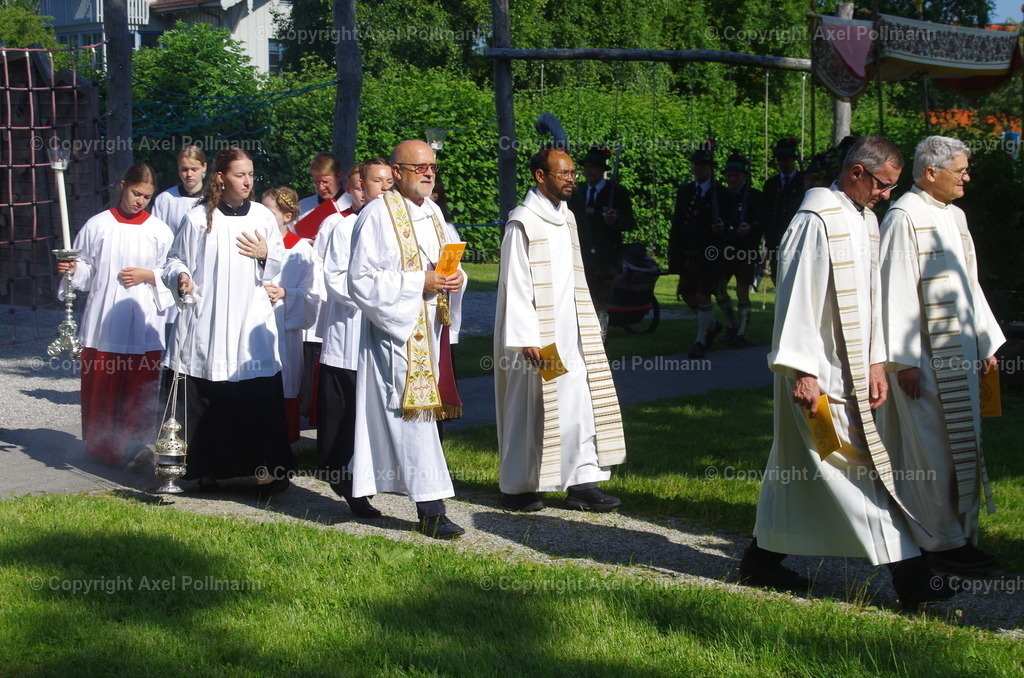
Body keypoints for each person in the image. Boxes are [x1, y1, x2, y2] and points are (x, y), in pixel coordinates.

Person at [740, 136, 956, 610]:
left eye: (892, 187)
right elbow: (795, 296)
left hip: (854, 374)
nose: (887, 194)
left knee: (798, 469)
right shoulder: (815, 220)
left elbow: (875, 300)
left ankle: (761, 558)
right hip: (816, 378)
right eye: (882, 184)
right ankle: (912, 576)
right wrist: (802, 370)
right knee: (848, 465)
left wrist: (877, 360)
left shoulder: (867, 220)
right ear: (856, 172)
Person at [877, 135, 1005, 573]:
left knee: (963, 445)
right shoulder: (903, 216)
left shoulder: (955, 216)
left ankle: (961, 535)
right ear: (931, 173)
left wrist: (984, 340)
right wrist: (905, 360)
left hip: (960, 355)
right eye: (961, 170)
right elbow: (894, 290)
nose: (967, 177)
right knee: (932, 451)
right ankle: (938, 542)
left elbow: (970, 286)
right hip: (926, 363)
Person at [495, 147, 627, 512]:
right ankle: (518, 486)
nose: (571, 178)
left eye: (572, 173)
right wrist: (528, 338)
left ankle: (582, 482)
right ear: (541, 176)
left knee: (579, 402)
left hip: (572, 331)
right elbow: (515, 283)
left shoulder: (566, 216)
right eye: (563, 173)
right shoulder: (522, 221)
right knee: (533, 406)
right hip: (538, 338)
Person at [347, 140, 466, 538]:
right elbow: (360, 281)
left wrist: (453, 278)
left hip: (430, 329)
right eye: (420, 168)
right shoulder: (376, 215)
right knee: (412, 417)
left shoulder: (433, 212)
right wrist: (421, 281)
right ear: (397, 172)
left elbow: (446, 266)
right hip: (397, 335)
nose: (429, 173)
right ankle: (431, 509)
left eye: (433, 166)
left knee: (418, 418)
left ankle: (358, 483)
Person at [162, 147, 293, 494]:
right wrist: (182, 278)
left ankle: (266, 471)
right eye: (239, 174)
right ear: (221, 177)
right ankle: (207, 470)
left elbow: (280, 260)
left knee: (255, 395)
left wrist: (267, 255)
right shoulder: (197, 218)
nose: (247, 181)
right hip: (209, 320)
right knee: (208, 394)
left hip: (250, 320)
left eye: (251, 174)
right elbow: (173, 261)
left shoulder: (263, 217)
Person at [55, 164, 174, 464]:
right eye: (136, 193)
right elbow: (86, 269)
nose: (140, 201)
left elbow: (173, 273)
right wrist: (73, 269)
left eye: (147, 196)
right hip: (104, 320)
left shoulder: (159, 231)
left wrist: (149, 275)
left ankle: (135, 448)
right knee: (103, 386)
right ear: (123, 185)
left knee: (139, 387)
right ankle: (101, 447)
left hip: (143, 322)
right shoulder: (98, 226)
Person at [317, 157, 392, 519]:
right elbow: (331, 277)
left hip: (379, 334)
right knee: (343, 414)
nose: (383, 189)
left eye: (388, 182)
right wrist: (370, 293)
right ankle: (339, 476)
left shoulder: (394, 224)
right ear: (358, 185)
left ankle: (365, 478)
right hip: (347, 334)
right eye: (375, 183)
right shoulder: (338, 225)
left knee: (369, 414)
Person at [668, 144, 738, 359]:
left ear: (710, 168)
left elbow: (733, 222)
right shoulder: (686, 191)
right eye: (696, 165)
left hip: (711, 252)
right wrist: (674, 252)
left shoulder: (722, 193)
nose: (698, 169)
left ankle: (700, 340)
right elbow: (679, 223)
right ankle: (712, 325)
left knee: (704, 294)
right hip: (689, 253)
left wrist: (723, 227)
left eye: (703, 165)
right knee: (688, 293)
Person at [261, 186, 318, 444]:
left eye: (269, 212)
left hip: (285, 328)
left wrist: (285, 293)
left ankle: (284, 442)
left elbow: (312, 295)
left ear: (287, 216)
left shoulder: (301, 250)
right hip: (255, 329)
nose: (262, 217)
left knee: (285, 382)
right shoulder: (252, 244)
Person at [566, 146, 636, 330]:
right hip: (582, 255)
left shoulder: (617, 192)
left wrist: (616, 219)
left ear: (602, 170)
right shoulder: (577, 193)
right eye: (587, 166)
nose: (589, 170)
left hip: (606, 257)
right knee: (579, 296)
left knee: (599, 299)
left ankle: (600, 337)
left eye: (594, 167)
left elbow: (630, 222)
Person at [719, 152, 765, 348]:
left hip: (746, 250)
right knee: (719, 288)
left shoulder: (755, 196)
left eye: (735, 175)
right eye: (729, 175)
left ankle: (742, 331)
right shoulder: (720, 196)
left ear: (744, 176)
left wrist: (751, 228)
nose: (731, 179)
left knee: (742, 290)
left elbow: (763, 221)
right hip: (724, 249)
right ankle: (732, 324)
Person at [761, 138, 805, 285]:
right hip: (775, 237)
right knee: (776, 273)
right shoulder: (771, 184)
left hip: (795, 236)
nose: (783, 163)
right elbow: (766, 210)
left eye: (786, 159)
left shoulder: (802, 181)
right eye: (780, 160)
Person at [297, 151, 349, 220]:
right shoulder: (303, 206)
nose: (321, 188)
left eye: (325, 182)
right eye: (317, 182)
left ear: (338, 177)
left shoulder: (352, 204)